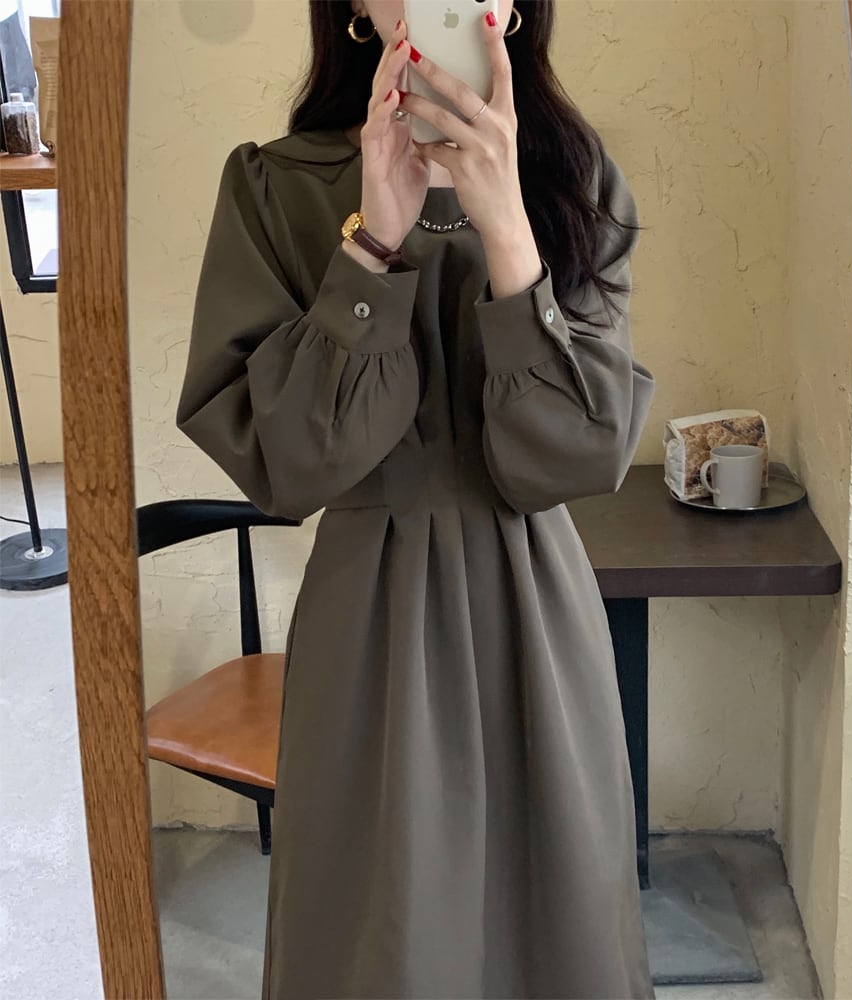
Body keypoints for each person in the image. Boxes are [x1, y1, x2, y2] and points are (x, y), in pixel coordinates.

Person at [175, 1, 655, 997]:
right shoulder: (275, 187)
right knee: (381, 943)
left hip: (537, 610)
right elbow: (288, 466)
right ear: (356, 6)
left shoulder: (574, 178)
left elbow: (577, 456)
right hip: (369, 624)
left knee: (559, 932)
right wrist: (372, 245)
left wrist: (508, 227)